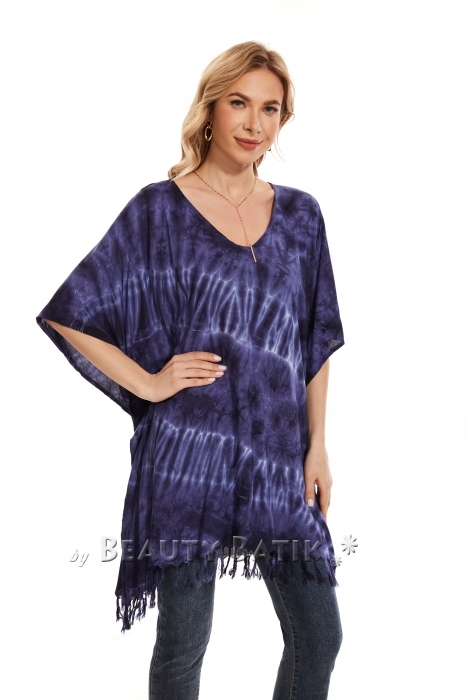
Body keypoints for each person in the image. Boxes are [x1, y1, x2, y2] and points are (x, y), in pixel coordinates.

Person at [36, 41, 345, 700]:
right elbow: (71, 312)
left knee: (319, 634)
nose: (254, 123)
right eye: (239, 102)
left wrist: (318, 445)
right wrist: (150, 383)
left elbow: (314, 337)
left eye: (270, 109)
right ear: (210, 109)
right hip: (186, 457)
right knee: (183, 645)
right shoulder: (158, 211)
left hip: (277, 458)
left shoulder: (301, 216)